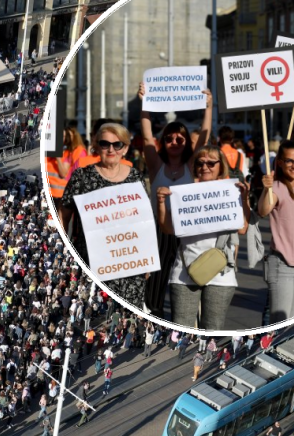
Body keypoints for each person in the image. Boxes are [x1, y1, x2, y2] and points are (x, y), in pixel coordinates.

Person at [156, 146, 251, 329]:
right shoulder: (184, 194)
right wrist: (161, 203)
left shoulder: (231, 192)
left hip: (221, 273)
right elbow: (167, 228)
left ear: (220, 166)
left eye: (210, 163)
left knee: (212, 331)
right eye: (200, 163)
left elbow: (242, 229)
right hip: (184, 272)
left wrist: (245, 199)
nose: (204, 167)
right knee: (181, 331)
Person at [139, 83, 213, 317]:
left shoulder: (191, 167)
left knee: (185, 279)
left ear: (186, 143)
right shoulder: (156, 166)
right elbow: (147, 136)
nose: (174, 142)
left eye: (180, 139)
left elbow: (204, 138)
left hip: (185, 230)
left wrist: (209, 108)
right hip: (159, 230)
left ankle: (183, 317)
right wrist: (144, 105)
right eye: (169, 138)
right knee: (156, 283)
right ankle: (153, 316)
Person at [60, 123, 150, 308]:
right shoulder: (81, 177)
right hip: (91, 262)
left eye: (117, 145)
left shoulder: (136, 177)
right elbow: (64, 215)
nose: (111, 149)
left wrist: (147, 259)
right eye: (104, 144)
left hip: (129, 264)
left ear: (125, 148)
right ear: (95, 146)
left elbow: (143, 221)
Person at [258, 140, 294, 323]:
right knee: (279, 324)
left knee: (290, 323)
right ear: (280, 162)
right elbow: (263, 210)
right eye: (289, 161)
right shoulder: (277, 187)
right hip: (281, 265)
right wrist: (266, 189)